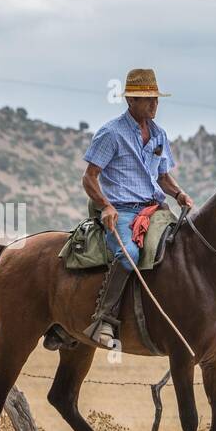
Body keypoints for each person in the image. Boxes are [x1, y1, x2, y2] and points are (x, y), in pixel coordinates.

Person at [80, 68, 193, 347]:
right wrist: (105, 206)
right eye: (147, 99)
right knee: (129, 252)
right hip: (123, 210)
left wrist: (179, 194)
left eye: (156, 98)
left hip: (157, 207)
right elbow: (89, 176)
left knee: (185, 244)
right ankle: (104, 318)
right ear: (130, 100)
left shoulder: (159, 134)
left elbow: (163, 176)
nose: (154, 105)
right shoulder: (111, 133)